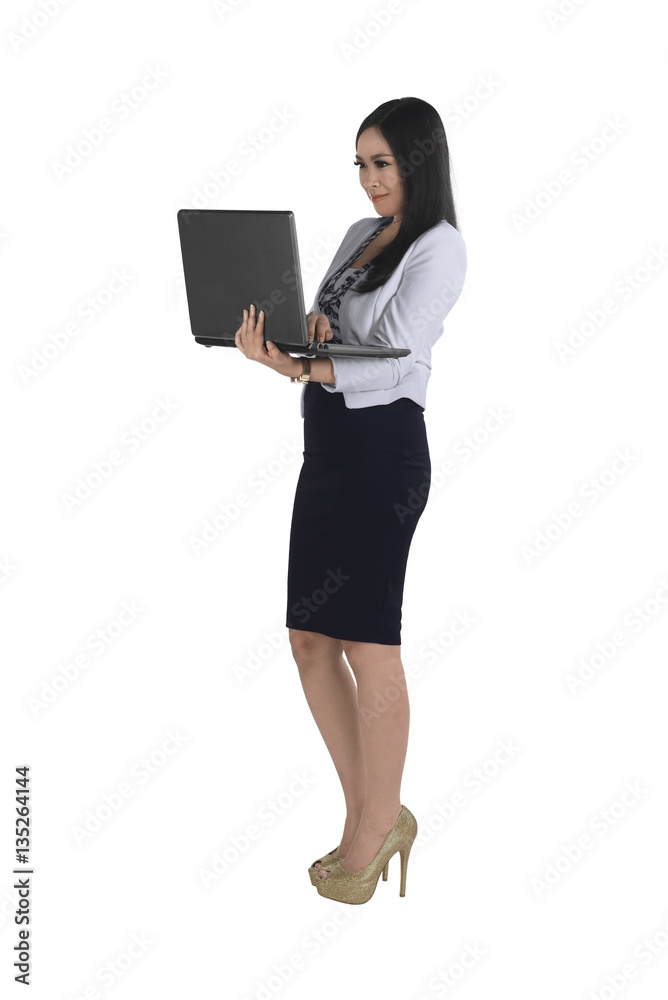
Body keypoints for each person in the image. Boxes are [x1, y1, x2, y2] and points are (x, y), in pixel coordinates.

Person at [234, 97, 467, 904]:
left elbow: (397, 358)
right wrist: (298, 334)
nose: (369, 181)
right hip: (328, 450)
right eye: (361, 165)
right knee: (308, 637)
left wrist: (303, 368)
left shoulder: (442, 249)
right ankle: (368, 809)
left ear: (419, 164)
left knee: (369, 644)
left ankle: (376, 826)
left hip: (384, 454)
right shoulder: (357, 237)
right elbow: (336, 326)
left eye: (383, 165)